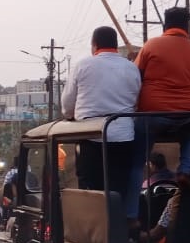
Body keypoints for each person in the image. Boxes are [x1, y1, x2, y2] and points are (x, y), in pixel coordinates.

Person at [129, 7, 190, 217]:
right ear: (187, 27)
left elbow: (135, 77)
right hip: (187, 116)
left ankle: (131, 215)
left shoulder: (151, 46)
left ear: (165, 25)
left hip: (152, 116)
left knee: (136, 164)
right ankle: (184, 171)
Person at [60, 25, 140, 201]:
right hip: (124, 138)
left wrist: (70, 116)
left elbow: (67, 106)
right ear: (115, 44)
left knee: (91, 191)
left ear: (94, 45)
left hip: (91, 137)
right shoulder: (132, 68)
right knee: (119, 188)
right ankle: (119, 224)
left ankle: (95, 226)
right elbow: (135, 102)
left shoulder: (83, 65)